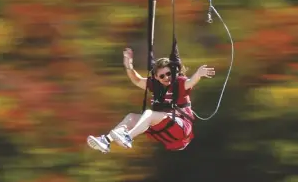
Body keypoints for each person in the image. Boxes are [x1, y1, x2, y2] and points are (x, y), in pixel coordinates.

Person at [87, 48, 215, 153]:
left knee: (148, 114)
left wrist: (198, 74)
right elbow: (137, 80)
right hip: (165, 129)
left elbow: (190, 82)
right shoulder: (156, 85)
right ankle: (106, 141)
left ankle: (128, 137)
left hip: (181, 127)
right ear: (157, 77)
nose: (166, 78)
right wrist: (129, 66)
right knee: (131, 117)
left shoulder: (179, 83)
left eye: (169, 73)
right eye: (162, 76)